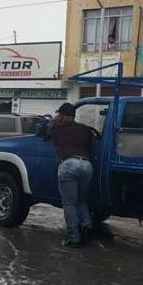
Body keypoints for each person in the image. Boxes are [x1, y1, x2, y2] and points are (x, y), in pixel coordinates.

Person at [46, 102, 97, 247]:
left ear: (61, 115)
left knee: (69, 203)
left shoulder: (56, 128)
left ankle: (74, 238)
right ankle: (87, 224)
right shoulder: (84, 129)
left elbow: (46, 134)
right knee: (81, 200)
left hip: (69, 165)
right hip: (87, 165)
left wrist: (53, 121)